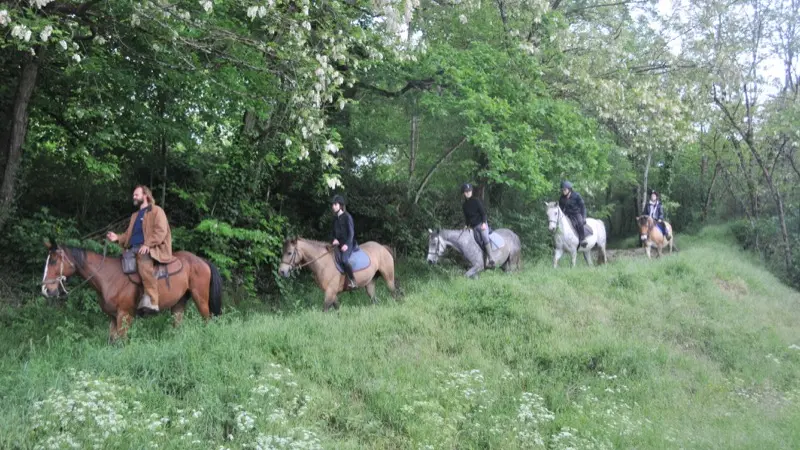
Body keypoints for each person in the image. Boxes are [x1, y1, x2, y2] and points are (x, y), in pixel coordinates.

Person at [107, 185, 173, 313]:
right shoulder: (135, 215)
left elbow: (161, 231)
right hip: (132, 248)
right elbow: (127, 235)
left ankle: (153, 302)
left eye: (136, 194)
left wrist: (147, 244)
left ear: (145, 196)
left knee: (144, 263)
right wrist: (117, 237)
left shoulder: (157, 211)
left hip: (151, 248)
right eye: (133, 195)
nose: (134, 197)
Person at [461, 183, 495, 268]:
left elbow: (483, 213)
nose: (468, 193)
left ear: (471, 191)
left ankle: (491, 259)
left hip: (481, 224)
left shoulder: (476, 201)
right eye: (466, 191)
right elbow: (467, 218)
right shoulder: (464, 205)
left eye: (469, 191)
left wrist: (484, 223)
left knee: (484, 237)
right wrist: (466, 225)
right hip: (473, 227)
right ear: (464, 193)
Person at [331, 195, 358, 289]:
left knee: (344, 260)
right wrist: (334, 239)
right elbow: (333, 233)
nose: (333, 206)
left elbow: (351, 233)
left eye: (335, 204)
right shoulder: (335, 219)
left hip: (348, 244)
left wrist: (346, 245)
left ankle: (353, 280)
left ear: (341, 205)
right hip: (338, 245)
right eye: (332, 205)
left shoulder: (347, 217)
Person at [558, 180, 588, 248]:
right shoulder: (561, 198)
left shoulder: (576, 195)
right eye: (562, 190)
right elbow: (560, 209)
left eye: (565, 190)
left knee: (580, 222)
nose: (563, 191)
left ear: (569, 189)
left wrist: (584, 217)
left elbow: (582, 206)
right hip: (567, 215)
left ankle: (583, 239)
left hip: (576, 214)